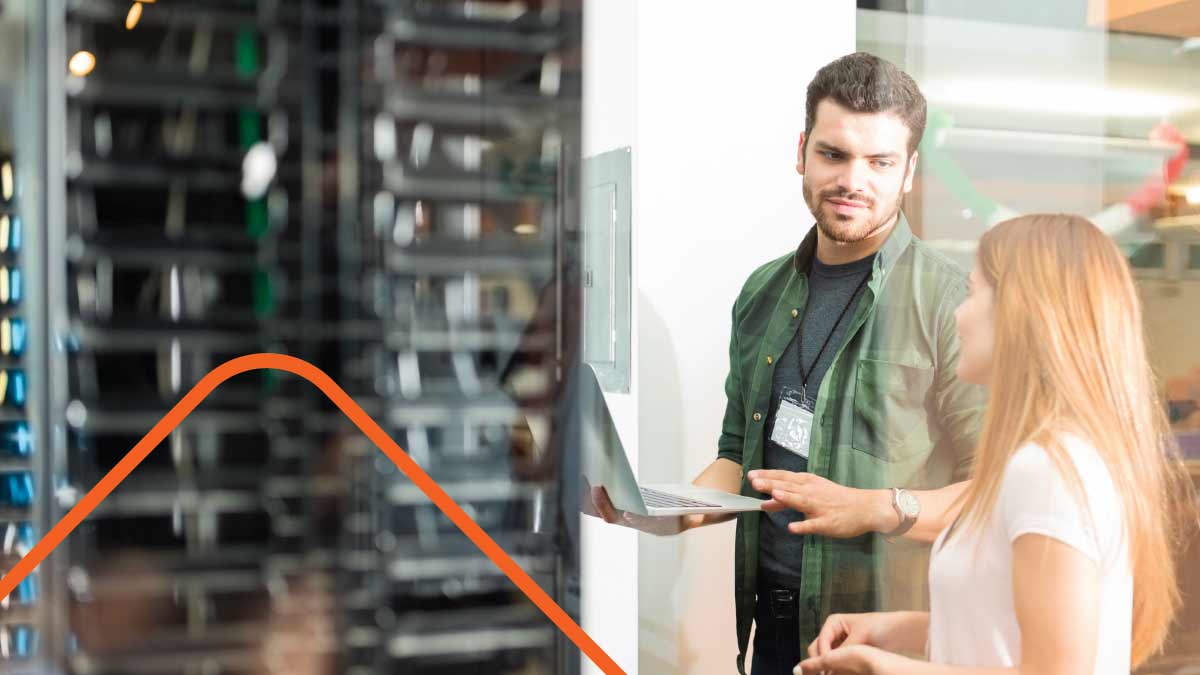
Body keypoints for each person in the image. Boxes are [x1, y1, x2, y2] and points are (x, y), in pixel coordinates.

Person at [586, 52, 986, 674]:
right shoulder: (762, 294)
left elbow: (992, 494)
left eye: (879, 162)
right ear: (801, 152)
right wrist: (672, 510)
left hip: (886, 636)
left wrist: (879, 506)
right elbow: (737, 455)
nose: (854, 179)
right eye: (834, 155)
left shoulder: (952, 302)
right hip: (770, 626)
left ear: (909, 172)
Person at [795, 214, 1195, 675]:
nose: (958, 315)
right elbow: (1014, 627)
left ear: (1020, 310)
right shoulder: (1051, 458)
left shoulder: (1047, 469)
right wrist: (896, 629)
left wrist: (886, 669)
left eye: (971, 292)